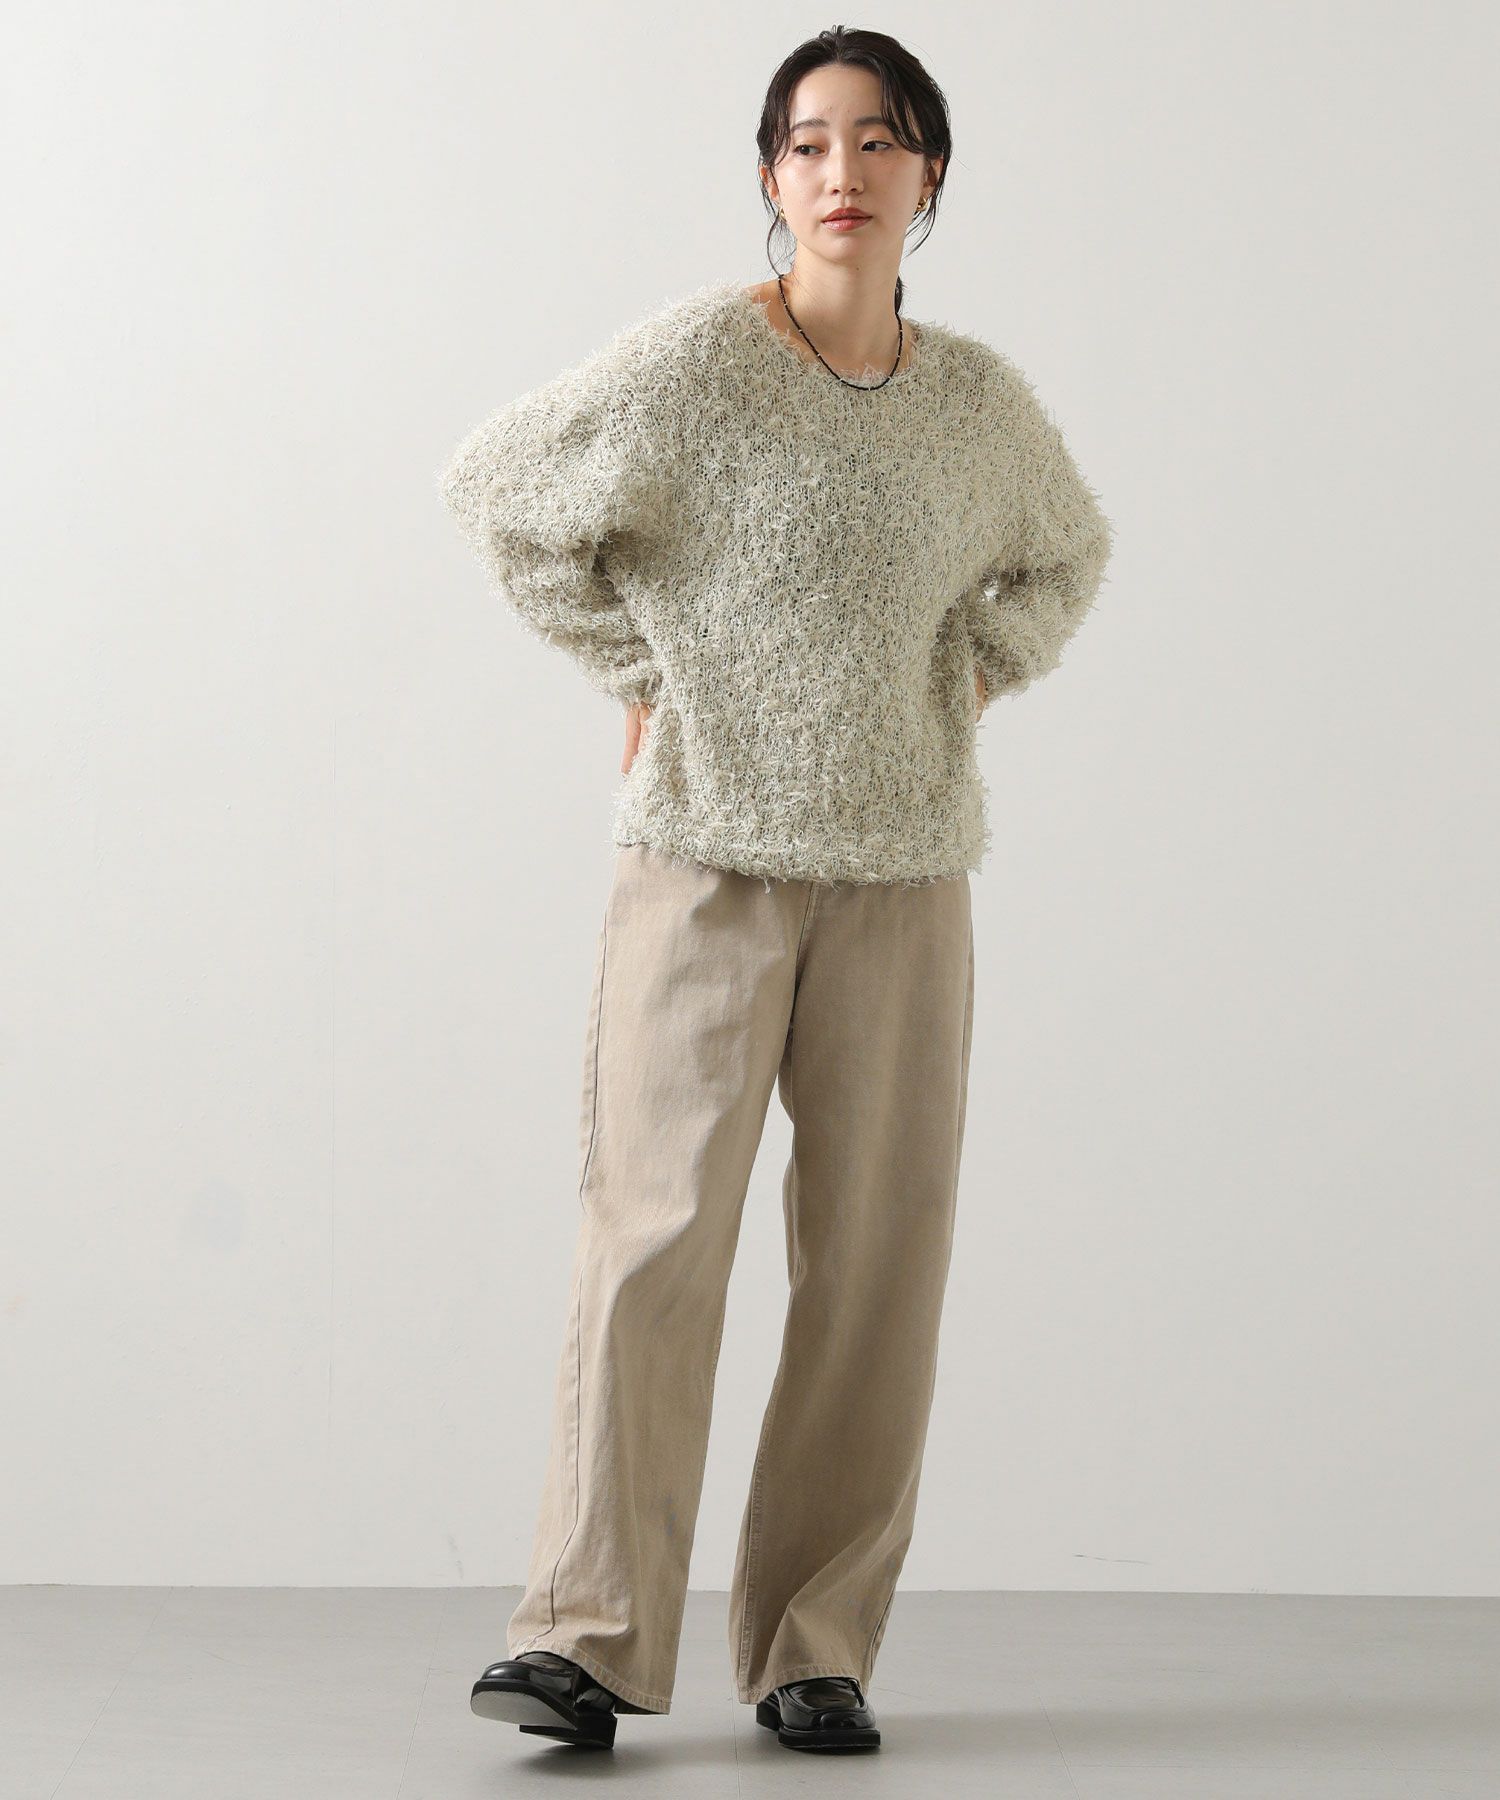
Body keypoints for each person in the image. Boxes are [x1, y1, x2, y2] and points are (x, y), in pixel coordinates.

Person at [436, 25, 1113, 1757]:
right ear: (768, 176)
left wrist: (974, 670)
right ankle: (587, 1636)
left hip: (907, 876)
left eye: (879, 140)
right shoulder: (696, 367)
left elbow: (1067, 554)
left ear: (929, 173)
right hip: (706, 861)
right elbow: (503, 496)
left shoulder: (979, 407)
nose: (842, 171)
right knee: (655, 1240)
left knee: (877, 1264)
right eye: (808, 143)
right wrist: (643, 673)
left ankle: (816, 1644)